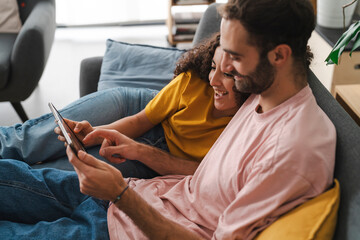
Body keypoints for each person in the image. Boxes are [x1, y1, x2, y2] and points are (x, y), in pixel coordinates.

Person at [0, 0, 336, 239]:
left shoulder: (291, 152)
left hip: (123, 225)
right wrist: (137, 154)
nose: (220, 73)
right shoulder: (262, 93)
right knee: (13, 176)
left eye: (234, 58)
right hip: (143, 199)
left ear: (279, 55)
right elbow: (211, 181)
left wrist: (119, 194)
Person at [0, 33, 243, 178]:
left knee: (53, 174)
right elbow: (142, 120)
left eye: (229, 74)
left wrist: (138, 150)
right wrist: (94, 134)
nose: (213, 80)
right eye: (213, 66)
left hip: (161, 158)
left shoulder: (250, 127)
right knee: (27, 140)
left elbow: (201, 172)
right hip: (137, 109)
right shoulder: (195, 81)